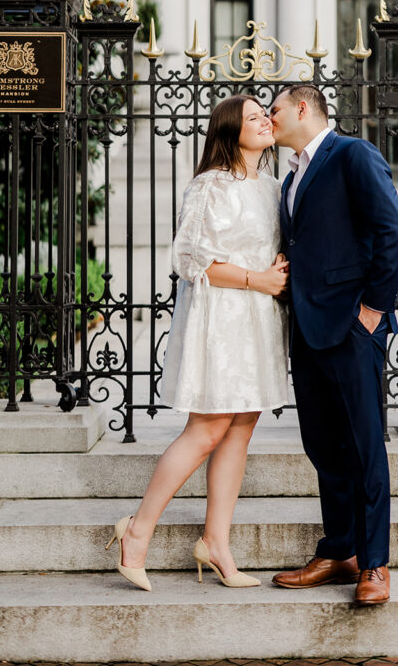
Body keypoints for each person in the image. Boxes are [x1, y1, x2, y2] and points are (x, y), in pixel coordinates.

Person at [105, 95, 289, 591]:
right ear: (231, 131)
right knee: (207, 429)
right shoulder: (211, 185)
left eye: (265, 114)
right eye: (252, 117)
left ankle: (216, 543)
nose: (264, 121)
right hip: (222, 318)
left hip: (260, 320)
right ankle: (137, 532)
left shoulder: (273, 187)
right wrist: (257, 280)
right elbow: (190, 260)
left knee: (241, 428)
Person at [269, 84, 398, 606]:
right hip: (307, 329)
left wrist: (373, 309)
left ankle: (374, 564)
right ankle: (339, 549)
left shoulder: (352, 153)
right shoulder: (290, 175)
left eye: (275, 109)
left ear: (303, 108)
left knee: (365, 446)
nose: (270, 118)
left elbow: (393, 229)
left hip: (353, 327)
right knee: (323, 444)